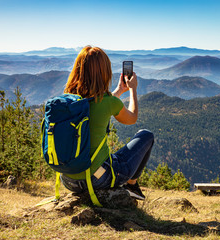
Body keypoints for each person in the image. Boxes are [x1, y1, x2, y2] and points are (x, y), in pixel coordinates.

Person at [60, 46, 154, 200]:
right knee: (146, 136)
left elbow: (97, 103)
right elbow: (132, 118)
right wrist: (132, 90)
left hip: (68, 180)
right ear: (104, 72)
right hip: (97, 178)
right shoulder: (109, 102)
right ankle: (131, 186)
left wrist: (118, 90)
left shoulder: (68, 101)